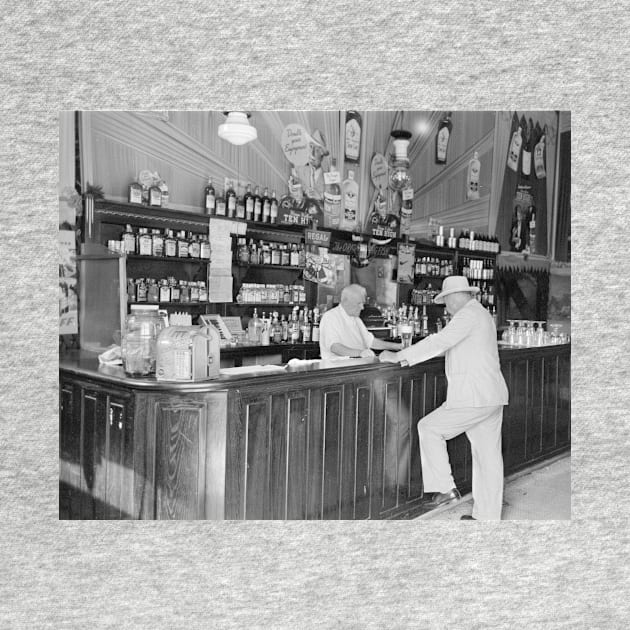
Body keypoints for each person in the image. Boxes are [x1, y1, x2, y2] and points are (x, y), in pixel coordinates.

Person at [379, 276, 509, 520]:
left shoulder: (468, 315)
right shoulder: (480, 314)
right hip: (491, 395)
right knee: (488, 458)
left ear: (455, 296)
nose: (445, 307)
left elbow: (440, 341)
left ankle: (444, 489)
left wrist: (399, 357)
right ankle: (487, 518)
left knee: (428, 428)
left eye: (445, 300)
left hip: (474, 397)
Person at [319, 284, 402, 359]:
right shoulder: (330, 317)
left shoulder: (356, 319)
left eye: (362, 303)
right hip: (338, 370)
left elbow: (370, 342)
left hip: (357, 366)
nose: (362, 307)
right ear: (346, 302)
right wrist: (361, 353)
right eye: (359, 303)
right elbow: (335, 347)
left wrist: (397, 346)